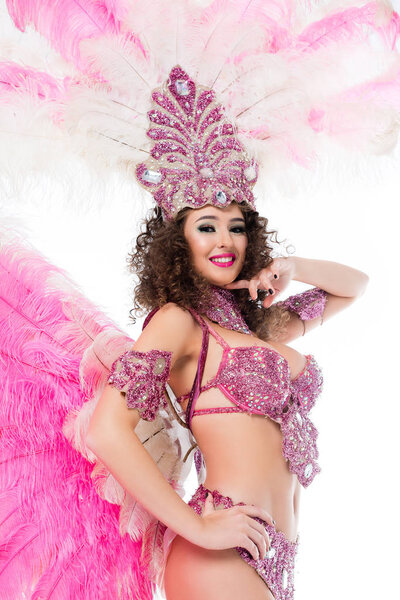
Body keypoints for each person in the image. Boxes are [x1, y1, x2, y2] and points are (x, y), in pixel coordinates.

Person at [86, 196, 368, 600]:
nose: (226, 241)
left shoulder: (261, 329)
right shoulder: (180, 321)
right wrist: (197, 526)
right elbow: (106, 430)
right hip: (219, 553)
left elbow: (354, 287)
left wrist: (293, 267)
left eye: (236, 228)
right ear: (178, 243)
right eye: (207, 227)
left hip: (275, 556)